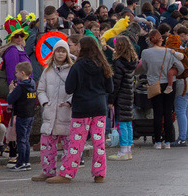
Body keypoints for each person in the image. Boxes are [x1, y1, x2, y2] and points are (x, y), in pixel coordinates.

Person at [48, 37, 114, 183]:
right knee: (99, 142)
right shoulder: (103, 65)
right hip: (99, 107)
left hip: (81, 108)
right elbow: (110, 88)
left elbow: (69, 88)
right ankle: (99, 174)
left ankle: (67, 174)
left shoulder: (77, 66)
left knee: (76, 143)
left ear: (82, 48)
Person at [33, 40, 74, 179]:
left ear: (67, 53)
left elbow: (77, 90)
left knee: (69, 145)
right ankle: (47, 171)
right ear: (54, 52)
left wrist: (69, 102)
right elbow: (40, 90)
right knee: (47, 144)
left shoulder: (73, 70)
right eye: (58, 50)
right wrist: (45, 103)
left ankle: (65, 171)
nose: (61, 53)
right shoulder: (47, 70)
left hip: (66, 112)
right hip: (50, 112)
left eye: (63, 51)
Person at [140, 30, 184, 145]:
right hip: (169, 83)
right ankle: (168, 140)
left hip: (154, 83)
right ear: (161, 39)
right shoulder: (169, 52)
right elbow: (181, 67)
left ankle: (158, 140)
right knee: (168, 112)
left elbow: (145, 68)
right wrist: (172, 71)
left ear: (150, 40)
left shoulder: (145, 52)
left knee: (157, 112)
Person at [107, 37, 137, 161]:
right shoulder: (132, 61)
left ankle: (124, 149)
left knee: (123, 123)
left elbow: (116, 83)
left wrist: (111, 100)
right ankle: (128, 149)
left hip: (121, 95)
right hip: (129, 93)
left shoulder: (118, 63)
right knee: (128, 122)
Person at [5, 61, 37, 171]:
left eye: (17, 72)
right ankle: (26, 161)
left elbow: (10, 99)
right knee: (26, 140)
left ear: (22, 73)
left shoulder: (21, 87)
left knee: (21, 140)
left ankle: (21, 162)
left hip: (22, 115)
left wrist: (11, 90)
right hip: (30, 115)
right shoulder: (32, 84)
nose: (15, 74)